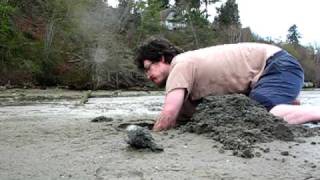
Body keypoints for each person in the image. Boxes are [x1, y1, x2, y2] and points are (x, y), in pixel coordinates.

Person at [134, 37, 320, 131]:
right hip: (278, 72)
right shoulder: (191, 75)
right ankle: (288, 107)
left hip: (276, 65)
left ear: (163, 58)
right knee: (254, 108)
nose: (148, 75)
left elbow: (169, 113)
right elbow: (179, 119)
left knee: (260, 111)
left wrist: (153, 135)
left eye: (149, 67)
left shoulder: (179, 64)